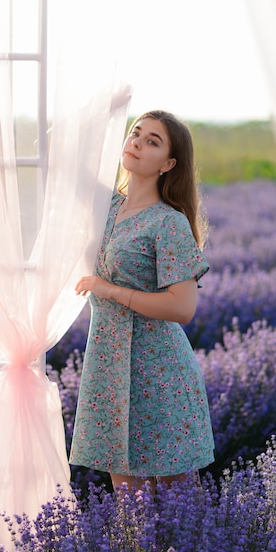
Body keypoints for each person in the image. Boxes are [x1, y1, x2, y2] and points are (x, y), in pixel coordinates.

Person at [71, 110, 214, 493]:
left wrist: (112, 290)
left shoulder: (169, 223)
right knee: (129, 512)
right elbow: (69, 165)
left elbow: (182, 308)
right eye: (135, 133)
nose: (137, 142)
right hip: (107, 366)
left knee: (176, 508)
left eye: (153, 141)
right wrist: (102, 109)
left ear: (168, 164)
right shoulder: (109, 208)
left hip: (158, 372)